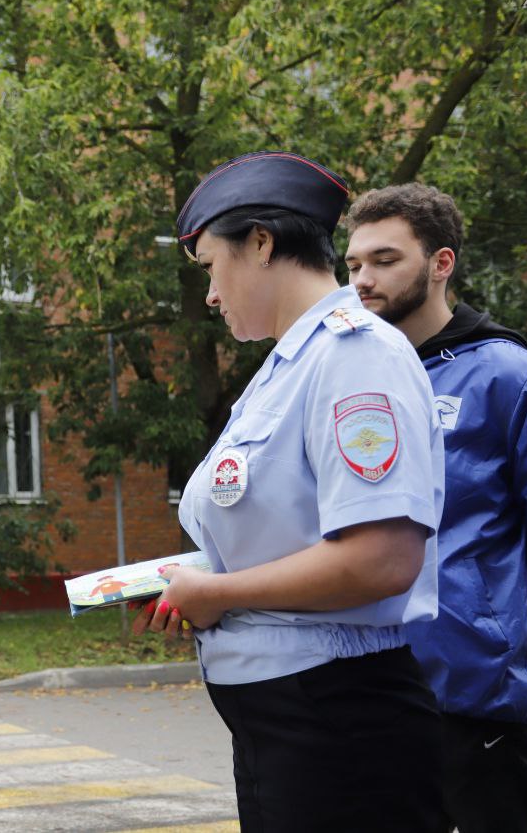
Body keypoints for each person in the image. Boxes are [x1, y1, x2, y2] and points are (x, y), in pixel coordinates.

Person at [133, 151, 446, 832]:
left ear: (262, 243)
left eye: (212, 267)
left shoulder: (355, 355)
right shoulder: (289, 365)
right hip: (292, 725)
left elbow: (382, 558)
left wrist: (215, 593)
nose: (210, 295)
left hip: (340, 725)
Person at [345, 183, 527, 832]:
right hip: (369, 692)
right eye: (352, 265)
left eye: (384, 260)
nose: (363, 280)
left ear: (442, 264)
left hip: (479, 695)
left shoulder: (513, 378)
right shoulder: (352, 381)